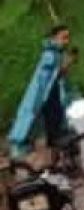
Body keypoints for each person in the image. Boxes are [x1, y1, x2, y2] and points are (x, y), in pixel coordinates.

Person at [8, 25, 74, 158]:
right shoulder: (49, 55)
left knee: (55, 114)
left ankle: (55, 141)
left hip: (53, 93)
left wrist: (65, 66)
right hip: (42, 92)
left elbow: (58, 76)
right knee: (31, 114)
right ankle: (19, 145)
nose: (66, 41)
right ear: (55, 38)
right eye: (63, 38)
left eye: (68, 38)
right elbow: (49, 76)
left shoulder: (57, 54)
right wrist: (64, 65)